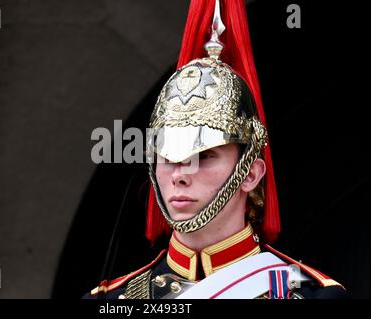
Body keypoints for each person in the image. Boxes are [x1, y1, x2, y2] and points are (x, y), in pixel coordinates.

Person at [84, 0, 346, 299]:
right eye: (168, 157)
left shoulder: (311, 296)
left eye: (204, 156)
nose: (180, 175)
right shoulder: (112, 299)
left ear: (250, 173)